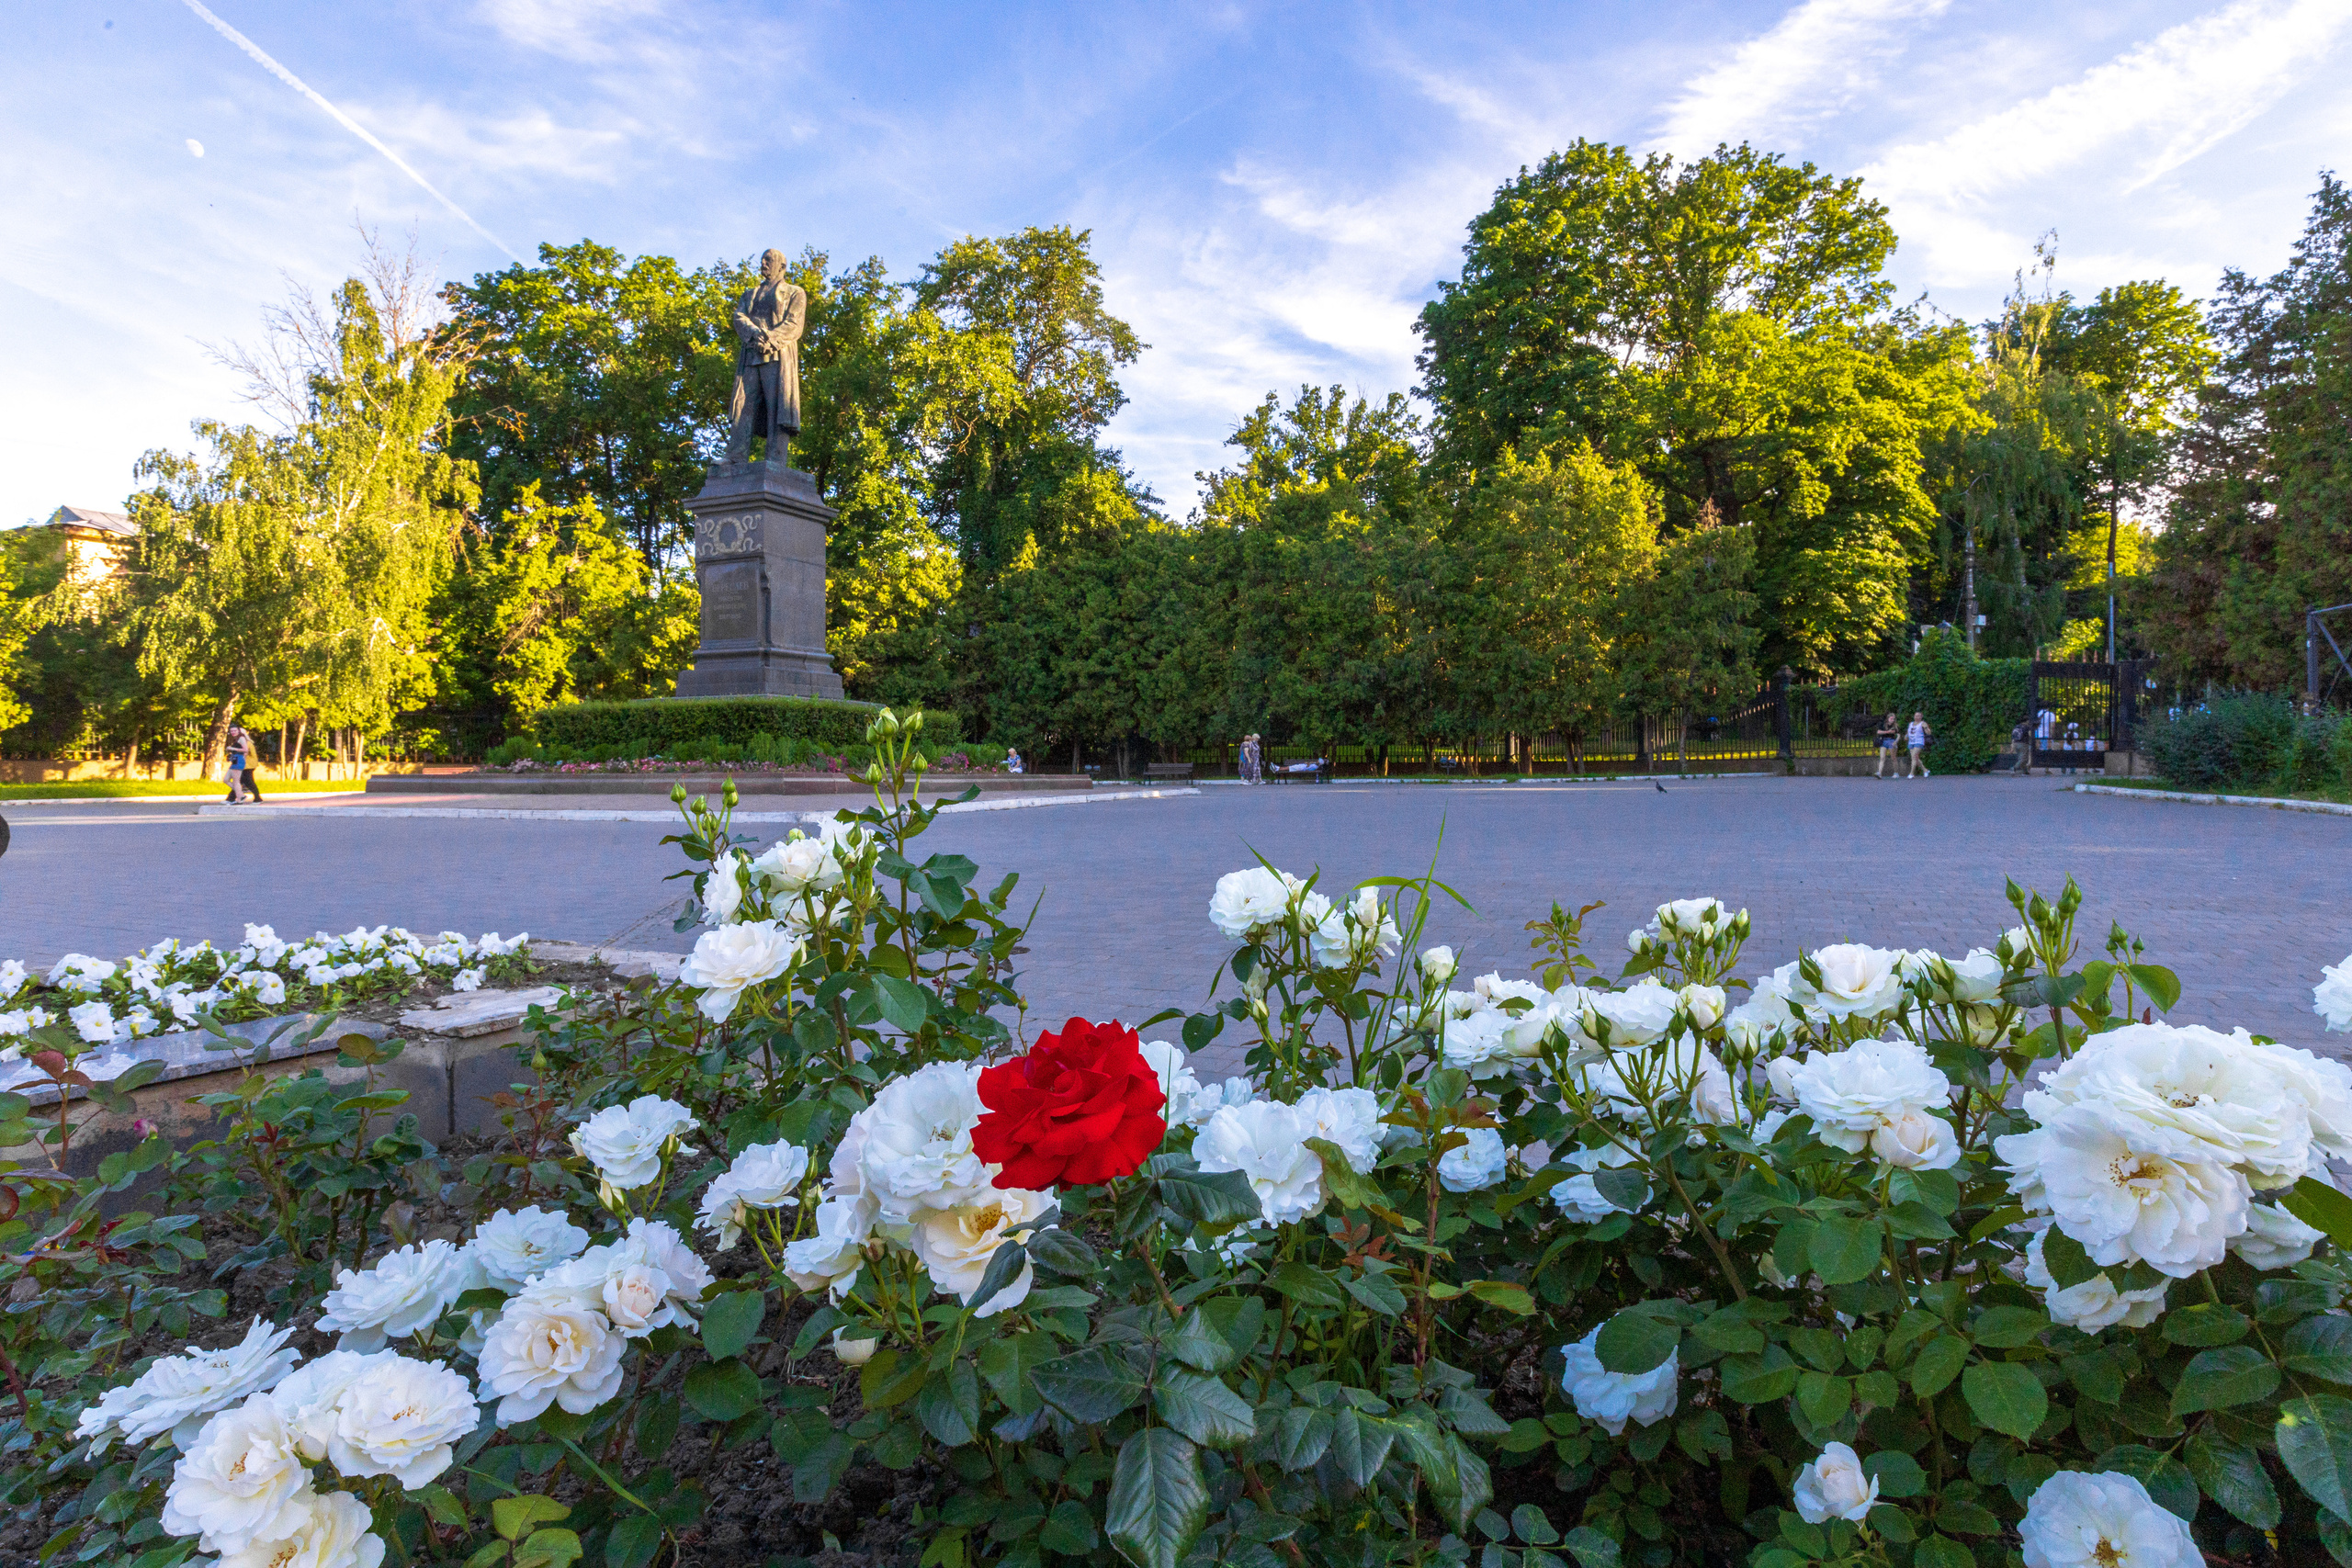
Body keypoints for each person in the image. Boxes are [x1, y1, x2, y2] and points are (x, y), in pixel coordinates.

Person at [1905, 711, 1932, 778]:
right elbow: (1909, 731)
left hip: (1919, 742)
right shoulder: (1911, 723)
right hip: (1911, 742)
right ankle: (1925, 770)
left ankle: (1911, 773)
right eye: (1916, 716)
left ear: (1921, 717)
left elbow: (1929, 733)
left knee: (1914, 756)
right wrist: (1906, 736)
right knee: (1915, 758)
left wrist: (1926, 727)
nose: (1917, 717)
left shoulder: (1923, 723)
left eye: (1918, 716)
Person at [1873, 712, 1899, 778]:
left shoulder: (1895, 726)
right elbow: (1878, 732)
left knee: (1893, 758)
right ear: (1888, 719)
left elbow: (1898, 735)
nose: (1892, 720)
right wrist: (1888, 732)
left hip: (1892, 741)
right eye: (1891, 718)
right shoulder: (1883, 724)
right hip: (1884, 741)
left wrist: (1896, 742)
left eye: (1893, 719)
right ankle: (1879, 773)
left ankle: (1896, 773)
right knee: (1882, 758)